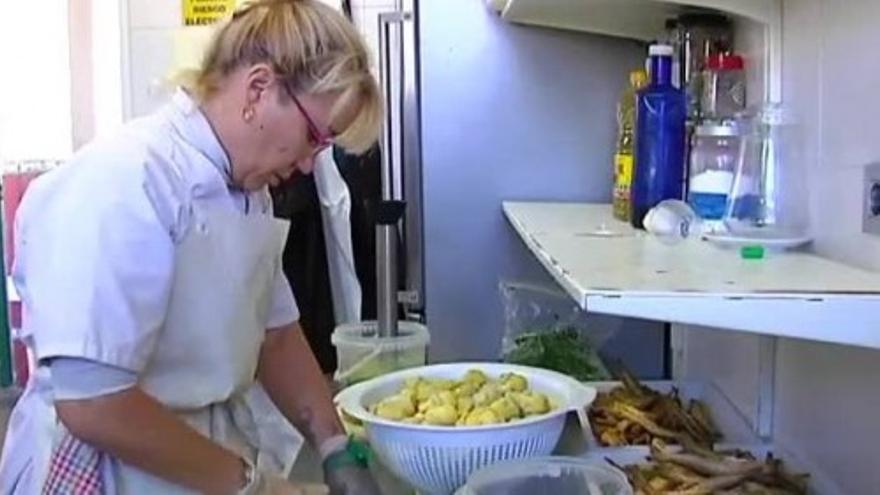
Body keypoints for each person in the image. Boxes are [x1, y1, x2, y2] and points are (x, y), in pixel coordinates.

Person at [0, 1, 383, 494]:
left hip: (201, 464)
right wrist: (251, 486)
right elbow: (94, 405)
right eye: (313, 138)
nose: (310, 165)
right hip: (113, 473)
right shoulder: (125, 181)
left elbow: (276, 335)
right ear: (259, 89)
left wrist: (334, 446)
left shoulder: (249, 194)